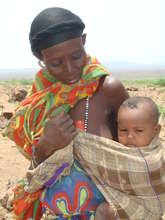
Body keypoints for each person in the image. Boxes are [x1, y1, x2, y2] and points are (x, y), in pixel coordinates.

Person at [4, 7, 129, 219]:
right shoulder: (39, 103)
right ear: (39, 56)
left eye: (77, 56)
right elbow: (37, 176)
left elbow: (141, 153)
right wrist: (44, 148)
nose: (70, 69)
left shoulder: (108, 90)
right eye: (56, 63)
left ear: (84, 41)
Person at [94, 96, 162, 219]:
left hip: (148, 212)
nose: (130, 136)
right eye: (123, 130)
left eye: (139, 131)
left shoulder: (154, 159)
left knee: (105, 211)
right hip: (129, 208)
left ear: (155, 131)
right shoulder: (120, 153)